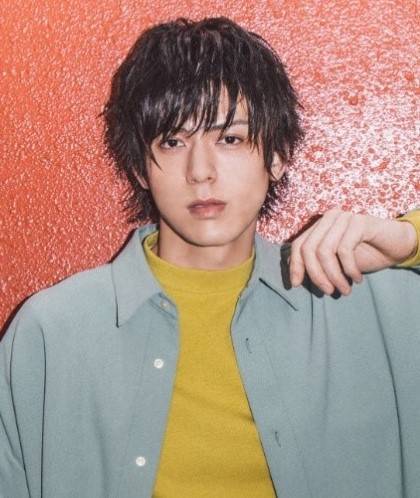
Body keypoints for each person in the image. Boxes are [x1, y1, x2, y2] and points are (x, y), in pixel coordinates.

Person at [1, 16, 419, 498]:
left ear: (278, 154)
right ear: (140, 167)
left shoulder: (373, 305)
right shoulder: (50, 333)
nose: (201, 171)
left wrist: (408, 240)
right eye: (173, 142)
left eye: (230, 139)